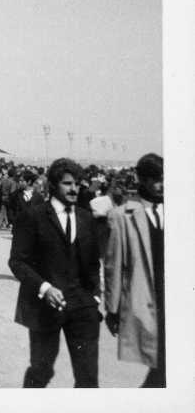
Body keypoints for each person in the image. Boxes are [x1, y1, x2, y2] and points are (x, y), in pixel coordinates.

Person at [8, 158, 101, 388]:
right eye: (67, 184)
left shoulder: (86, 218)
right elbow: (17, 262)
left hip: (82, 308)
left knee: (88, 377)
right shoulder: (33, 216)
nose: (74, 189)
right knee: (41, 372)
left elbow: (92, 264)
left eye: (78, 184)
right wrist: (44, 288)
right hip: (44, 307)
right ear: (52, 185)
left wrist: (95, 297)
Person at [104, 153, 165, 387]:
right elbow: (113, 266)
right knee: (163, 366)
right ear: (142, 180)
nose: (162, 184)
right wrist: (113, 309)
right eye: (157, 179)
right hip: (145, 300)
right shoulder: (122, 215)